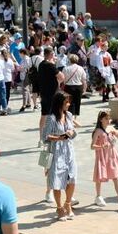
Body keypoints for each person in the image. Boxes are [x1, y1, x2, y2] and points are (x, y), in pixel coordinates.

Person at [44, 91, 79, 221]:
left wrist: (71, 133)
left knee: (72, 178)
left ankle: (68, 204)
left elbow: (74, 133)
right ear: (60, 103)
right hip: (56, 152)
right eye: (66, 102)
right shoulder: (51, 118)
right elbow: (45, 137)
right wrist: (60, 137)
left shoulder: (69, 115)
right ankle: (59, 208)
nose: (68, 104)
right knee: (57, 180)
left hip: (69, 151)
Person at [91, 110, 118, 210]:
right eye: (106, 118)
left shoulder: (110, 128)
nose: (108, 120)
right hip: (102, 156)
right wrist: (101, 146)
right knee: (99, 177)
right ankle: (98, 196)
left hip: (112, 155)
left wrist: (116, 133)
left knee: (116, 177)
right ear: (101, 120)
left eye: (109, 118)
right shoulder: (98, 131)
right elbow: (92, 146)